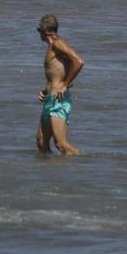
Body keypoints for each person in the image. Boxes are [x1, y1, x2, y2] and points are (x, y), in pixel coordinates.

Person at [35, 14, 84, 155]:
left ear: (43, 30)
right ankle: (51, 175)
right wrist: (45, 91)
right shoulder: (53, 46)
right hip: (50, 99)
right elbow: (57, 73)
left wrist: (65, 84)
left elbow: (79, 61)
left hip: (59, 100)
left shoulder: (57, 43)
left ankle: (84, 165)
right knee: (41, 144)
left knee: (61, 145)